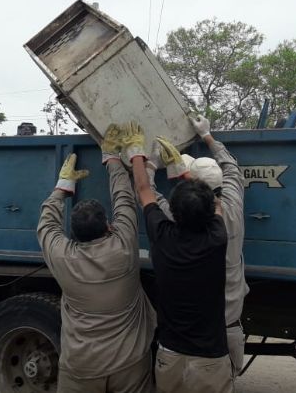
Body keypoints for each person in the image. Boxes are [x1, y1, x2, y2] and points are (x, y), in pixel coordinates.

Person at [36, 124, 156, 393]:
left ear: (72, 235)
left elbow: (46, 225)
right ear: (109, 226)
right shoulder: (124, 246)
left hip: (81, 368)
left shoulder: (62, 256)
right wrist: (112, 158)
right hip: (130, 364)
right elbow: (124, 198)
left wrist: (62, 187)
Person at [123, 122, 233, 393]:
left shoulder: (163, 235)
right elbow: (216, 203)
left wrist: (137, 152)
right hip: (210, 360)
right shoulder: (217, 238)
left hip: (169, 356)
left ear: (171, 210)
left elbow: (143, 189)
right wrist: (186, 174)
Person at [145, 115, 249, 374]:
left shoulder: (174, 217)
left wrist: (151, 164)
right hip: (226, 332)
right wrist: (207, 135)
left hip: (182, 340)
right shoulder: (233, 209)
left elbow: (148, 194)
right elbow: (232, 170)